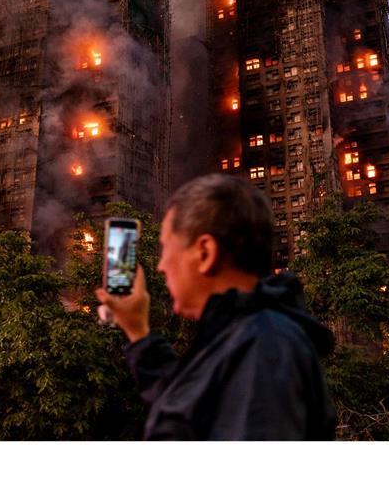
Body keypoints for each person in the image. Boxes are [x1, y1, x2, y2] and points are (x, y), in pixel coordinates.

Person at [96, 174, 337, 440]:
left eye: (166, 248)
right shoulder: (242, 337)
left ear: (205, 253)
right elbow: (184, 408)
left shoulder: (265, 347)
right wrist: (137, 331)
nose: (160, 266)